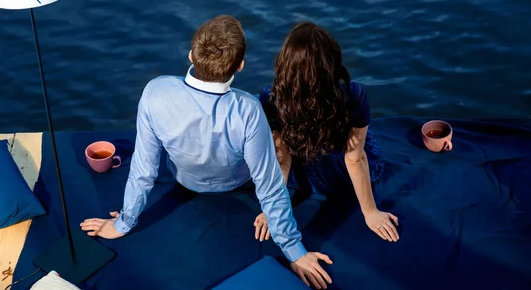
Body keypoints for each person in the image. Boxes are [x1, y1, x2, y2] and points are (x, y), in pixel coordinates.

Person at [81, 16, 333, 289]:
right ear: (240, 65)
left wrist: (124, 223)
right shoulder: (249, 109)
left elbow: (144, 168)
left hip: (183, 179)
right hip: (236, 184)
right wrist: (294, 251)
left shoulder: (155, 91)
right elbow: (269, 185)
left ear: (191, 55)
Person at [253, 22, 400, 244]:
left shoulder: (271, 97)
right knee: (363, 136)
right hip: (343, 176)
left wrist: (272, 209)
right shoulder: (353, 94)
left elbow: (281, 157)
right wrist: (370, 212)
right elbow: (355, 157)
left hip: (305, 178)